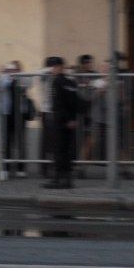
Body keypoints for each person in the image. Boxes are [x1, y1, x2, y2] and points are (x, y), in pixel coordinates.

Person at [41, 56, 80, 188]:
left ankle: (58, 179)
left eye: (53, 67)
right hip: (68, 120)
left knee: (59, 150)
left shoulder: (57, 81)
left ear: (59, 67)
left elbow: (59, 103)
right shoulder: (70, 82)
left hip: (60, 120)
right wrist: (73, 118)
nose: (51, 69)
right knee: (66, 150)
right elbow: (75, 102)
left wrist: (67, 119)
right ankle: (67, 179)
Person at [0, 59, 34, 178]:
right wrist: (7, 75)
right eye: (11, 69)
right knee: (7, 142)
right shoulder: (5, 78)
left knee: (21, 142)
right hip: (8, 113)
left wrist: (18, 76)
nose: (13, 71)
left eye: (15, 69)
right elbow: (1, 85)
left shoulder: (22, 79)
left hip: (20, 114)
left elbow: (30, 83)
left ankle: (21, 167)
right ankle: (6, 168)